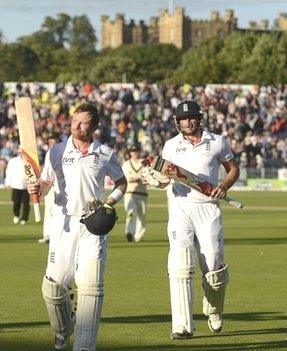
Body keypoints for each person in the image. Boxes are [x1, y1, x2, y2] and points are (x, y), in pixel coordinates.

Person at [27, 102, 127, 351]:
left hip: (92, 223)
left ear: (94, 126)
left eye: (82, 122)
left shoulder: (104, 153)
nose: (76, 126)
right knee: (54, 286)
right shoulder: (57, 151)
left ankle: (84, 346)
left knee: (90, 285)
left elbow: (121, 182)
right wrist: (37, 188)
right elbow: (47, 183)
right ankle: (62, 331)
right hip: (63, 223)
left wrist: (109, 203)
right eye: (74, 121)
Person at [141, 100, 240, 338]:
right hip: (180, 209)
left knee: (214, 269)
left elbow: (233, 169)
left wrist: (223, 186)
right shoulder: (170, 146)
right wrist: (155, 180)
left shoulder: (217, 142)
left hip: (208, 209)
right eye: (183, 118)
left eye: (192, 117)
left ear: (200, 118)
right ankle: (182, 326)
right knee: (180, 265)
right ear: (177, 121)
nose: (188, 121)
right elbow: (164, 176)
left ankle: (214, 309)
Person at [121, 145, 148, 242]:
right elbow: (124, 178)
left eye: (136, 150)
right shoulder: (126, 164)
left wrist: (139, 178)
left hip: (142, 193)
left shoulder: (144, 163)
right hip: (129, 192)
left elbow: (148, 177)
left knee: (142, 215)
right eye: (132, 151)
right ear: (130, 153)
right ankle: (130, 233)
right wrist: (136, 178)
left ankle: (139, 235)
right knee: (131, 213)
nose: (134, 153)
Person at [38, 132, 60, 244]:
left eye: (53, 139)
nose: (51, 142)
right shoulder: (49, 152)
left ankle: (57, 235)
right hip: (50, 186)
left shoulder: (64, 151)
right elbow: (46, 172)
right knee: (48, 211)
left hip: (60, 187)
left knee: (60, 212)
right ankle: (47, 235)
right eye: (49, 140)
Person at [4, 153, 30, 225]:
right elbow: (9, 172)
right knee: (16, 202)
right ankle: (16, 215)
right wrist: (7, 183)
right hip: (15, 185)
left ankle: (24, 218)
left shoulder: (29, 160)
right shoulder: (13, 161)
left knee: (26, 204)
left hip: (26, 186)